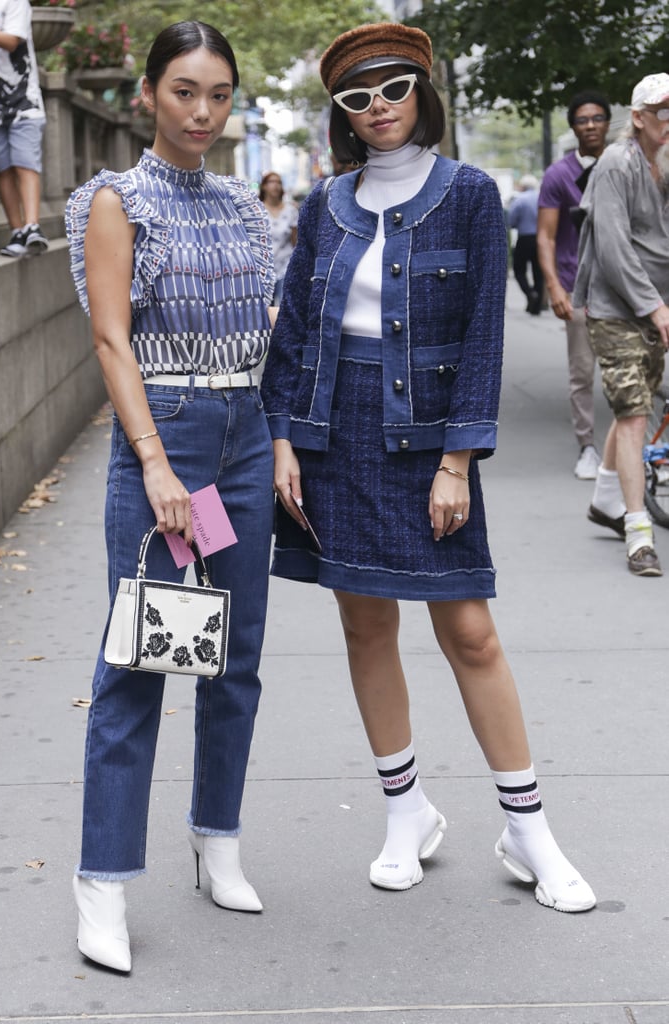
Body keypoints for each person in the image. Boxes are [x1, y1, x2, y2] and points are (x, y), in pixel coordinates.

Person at [261, 22, 596, 914]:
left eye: (393, 88)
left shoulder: (471, 195)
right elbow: (294, 329)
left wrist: (457, 458)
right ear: (339, 113)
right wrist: (285, 437)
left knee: (470, 633)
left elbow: (483, 331)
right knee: (365, 627)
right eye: (355, 98)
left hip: (425, 438)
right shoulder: (325, 203)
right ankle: (405, 811)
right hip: (333, 432)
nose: (378, 109)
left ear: (423, 90)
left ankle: (527, 827)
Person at [65, 20, 275, 972]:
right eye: (184, 91)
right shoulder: (118, 200)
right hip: (172, 437)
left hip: (243, 437)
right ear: (148, 92)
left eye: (218, 94)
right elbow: (112, 340)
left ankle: (215, 839)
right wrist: (153, 462)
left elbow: (268, 327)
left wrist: (277, 444)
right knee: (142, 661)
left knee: (234, 657)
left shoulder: (240, 205)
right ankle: (101, 882)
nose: (202, 111)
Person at [573, 73, 669, 577]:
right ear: (638, 118)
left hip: (657, 305)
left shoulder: (666, 164)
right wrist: (655, 307)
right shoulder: (616, 164)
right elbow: (613, 249)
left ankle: (606, 499)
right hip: (614, 307)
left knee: (634, 405)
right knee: (634, 414)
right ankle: (639, 535)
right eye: (664, 113)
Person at [537, 91, 611, 480]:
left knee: (638, 371)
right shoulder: (558, 175)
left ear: (608, 122)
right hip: (578, 287)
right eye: (583, 119)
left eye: (598, 118)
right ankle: (587, 447)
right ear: (573, 127)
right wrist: (554, 288)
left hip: (625, 290)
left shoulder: (627, 164)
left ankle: (646, 452)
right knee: (582, 374)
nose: (590, 125)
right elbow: (546, 237)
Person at [0, 0, 48, 257]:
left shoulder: (14, 2)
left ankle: (33, 226)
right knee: (3, 169)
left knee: (25, 163)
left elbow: (12, 40)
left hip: (25, 102)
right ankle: (17, 231)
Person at [259, 171, 298, 305]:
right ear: (264, 186)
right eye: (271, 182)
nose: (275, 186)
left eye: (279, 182)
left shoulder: (291, 210)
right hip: (263, 269)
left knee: (284, 307)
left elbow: (295, 242)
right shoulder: (256, 210)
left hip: (285, 266)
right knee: (265, 311)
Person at [507, 174, 542, 315]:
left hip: (524, 238)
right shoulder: (541, 198)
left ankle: (529, 293)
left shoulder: (519, 200)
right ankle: (536, 306)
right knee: (538, 272)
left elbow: (511, 220)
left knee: (519, 270)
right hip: (540, 238)